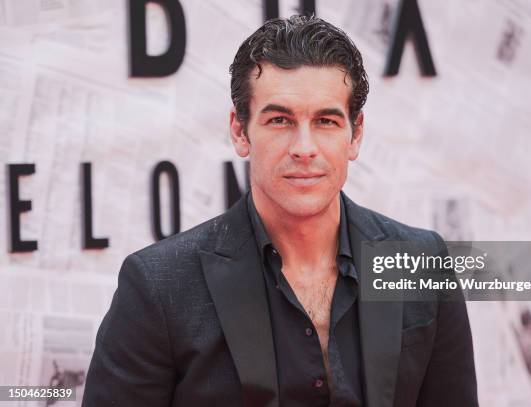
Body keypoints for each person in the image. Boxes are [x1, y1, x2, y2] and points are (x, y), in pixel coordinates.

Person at [82, 15, 478, 407]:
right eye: (280, 120)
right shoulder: (158, 286)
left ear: (355, 135)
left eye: (325, 121)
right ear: (240, 131)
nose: (303, 148)